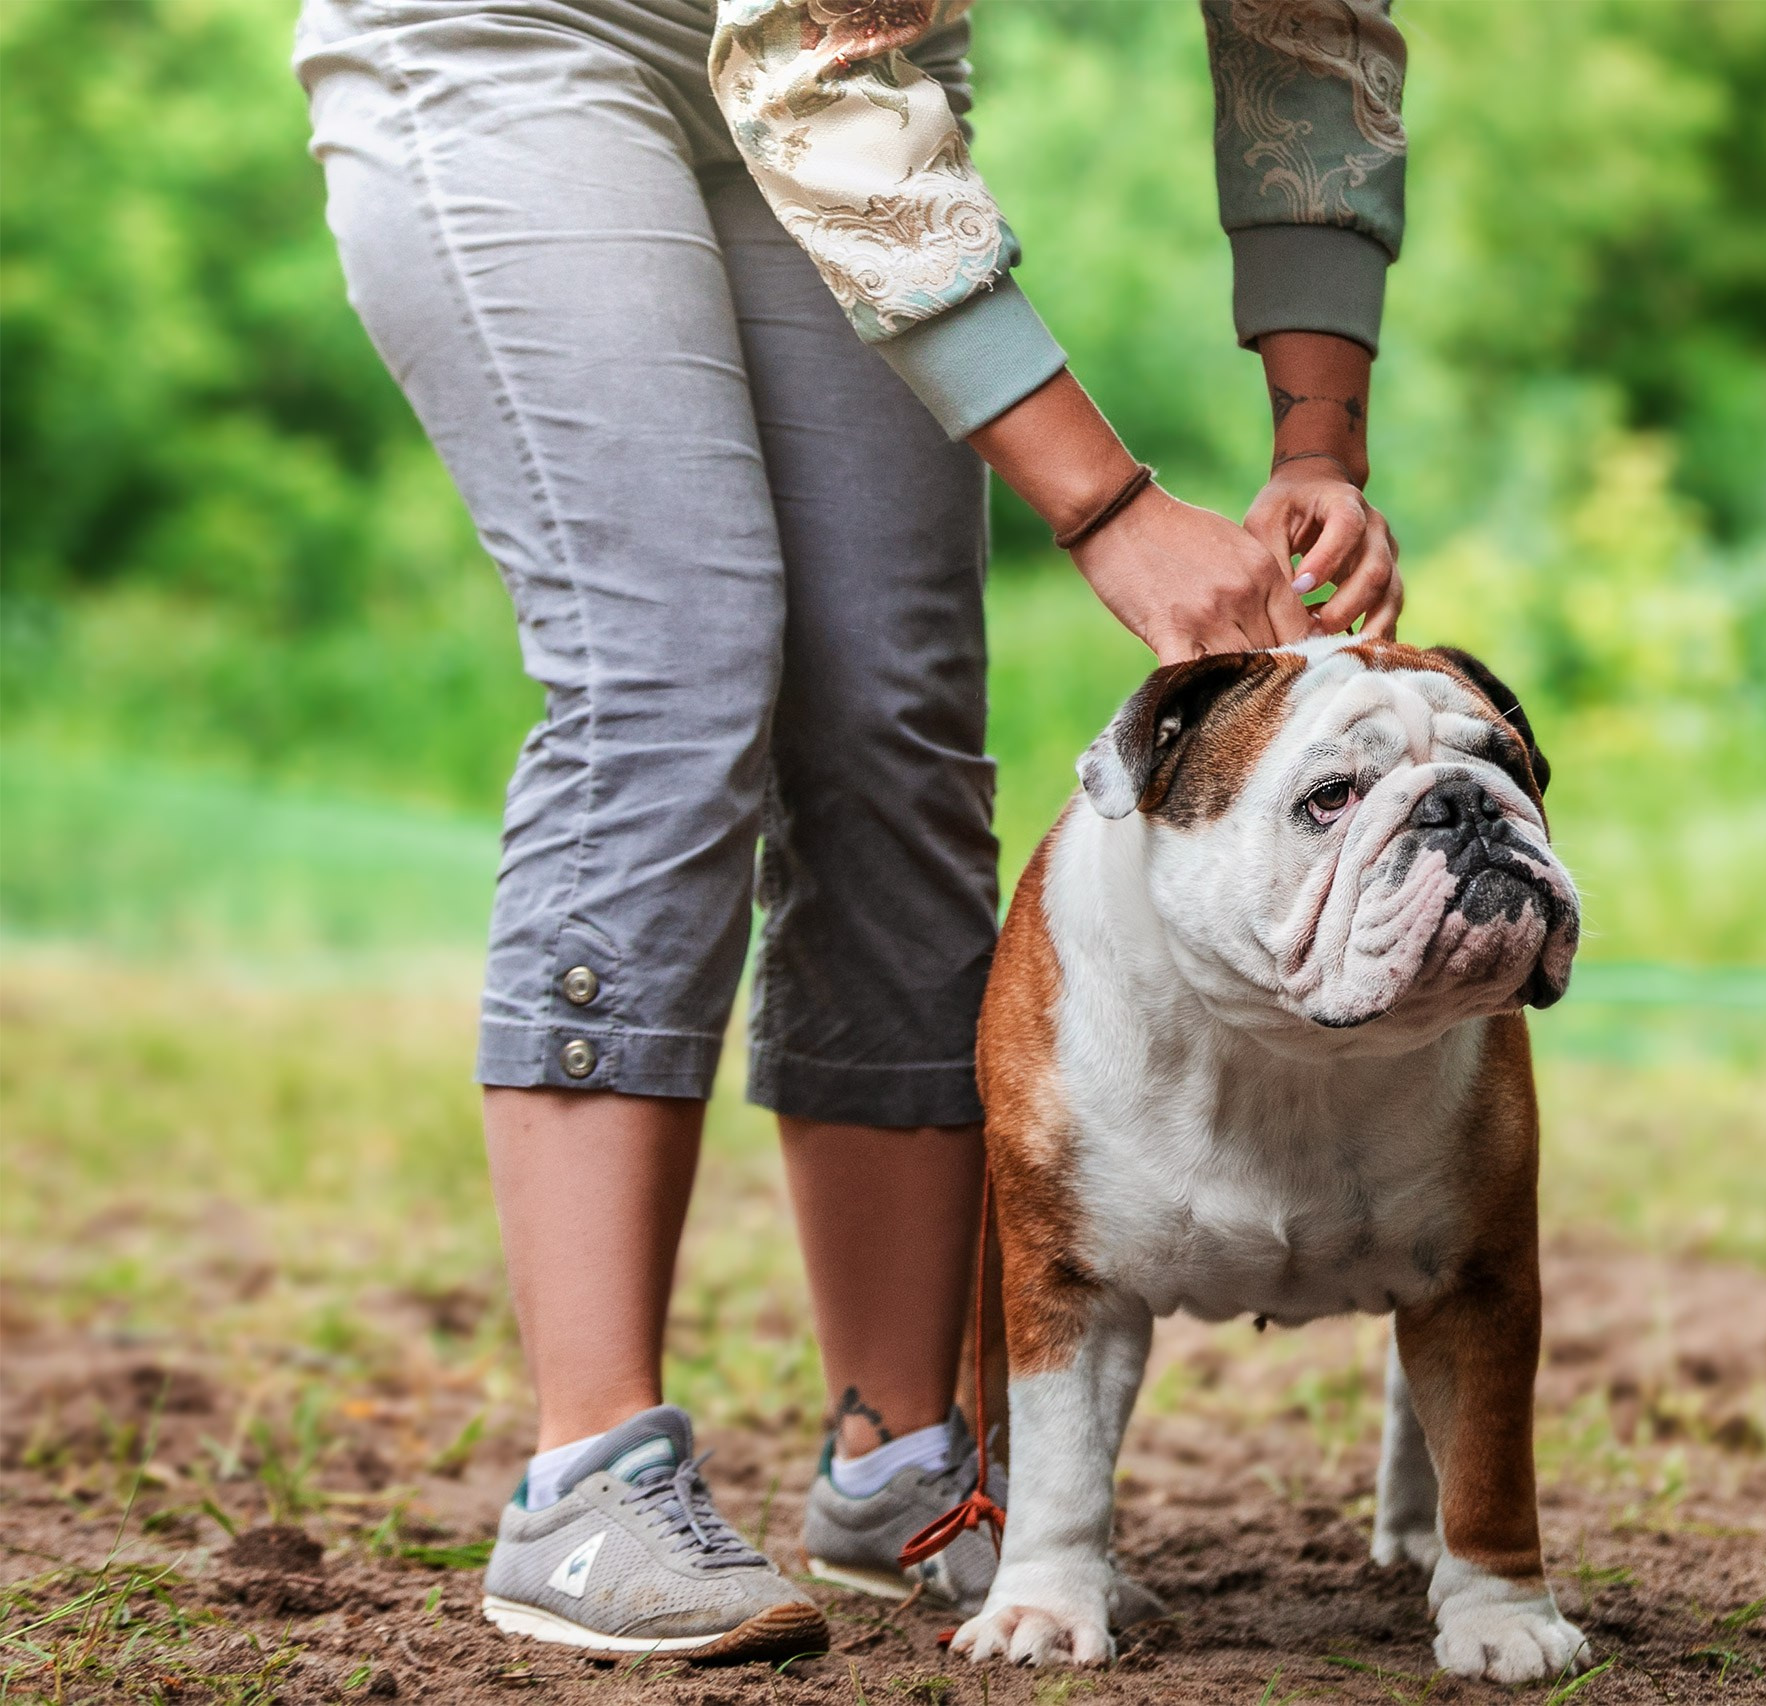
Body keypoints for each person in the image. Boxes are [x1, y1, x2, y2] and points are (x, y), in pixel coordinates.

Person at [293, 0, 1408, 1659]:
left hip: (844, 68)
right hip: (526, 35)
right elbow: (819, 85)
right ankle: (582, 1478)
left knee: (895, 709)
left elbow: (1310, 34)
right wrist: (1106, 508)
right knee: (671, 653)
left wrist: (1317, 435)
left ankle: (910, 1473)